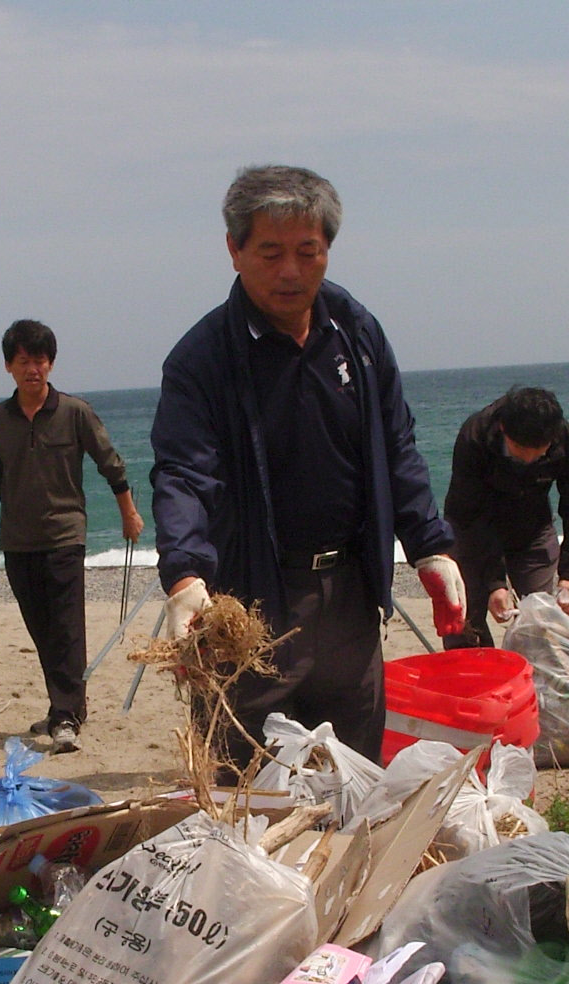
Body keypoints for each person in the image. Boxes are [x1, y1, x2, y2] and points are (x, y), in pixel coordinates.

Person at [150, 165, 467, 764]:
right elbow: (186, 474)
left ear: (328, 250)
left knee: (355, 780)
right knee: (247, 785)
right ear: (234, 250)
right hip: (252, 606)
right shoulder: (201, 361)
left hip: (350, 596)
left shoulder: (356, 334)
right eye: (270, 253)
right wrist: (186, 576)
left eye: (308, 251)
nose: (290, 271)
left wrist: (430, 546)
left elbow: (396, 444)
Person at [0, 319, 143, 753]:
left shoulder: (75, 412)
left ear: (51, 364)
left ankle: (67, 716)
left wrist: (128, 513)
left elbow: (111, 464)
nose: (32, 369)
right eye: (23, 361)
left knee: (67, 629)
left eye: (40, 360)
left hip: (65, 535)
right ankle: (64, 707)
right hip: (17, 540)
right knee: (42, 630)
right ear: (9, 367)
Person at [443, 385, 569, 647]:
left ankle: (529, 684)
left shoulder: (566, 440)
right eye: (519, 451)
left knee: (537, 623)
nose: (528, 460)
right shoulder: (476, 435)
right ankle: (475, 680)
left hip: (532, 530)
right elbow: (469, 514)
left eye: (539, 454)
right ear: (503, 429)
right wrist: (494, 583)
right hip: (472, 530)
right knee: (464, 624)